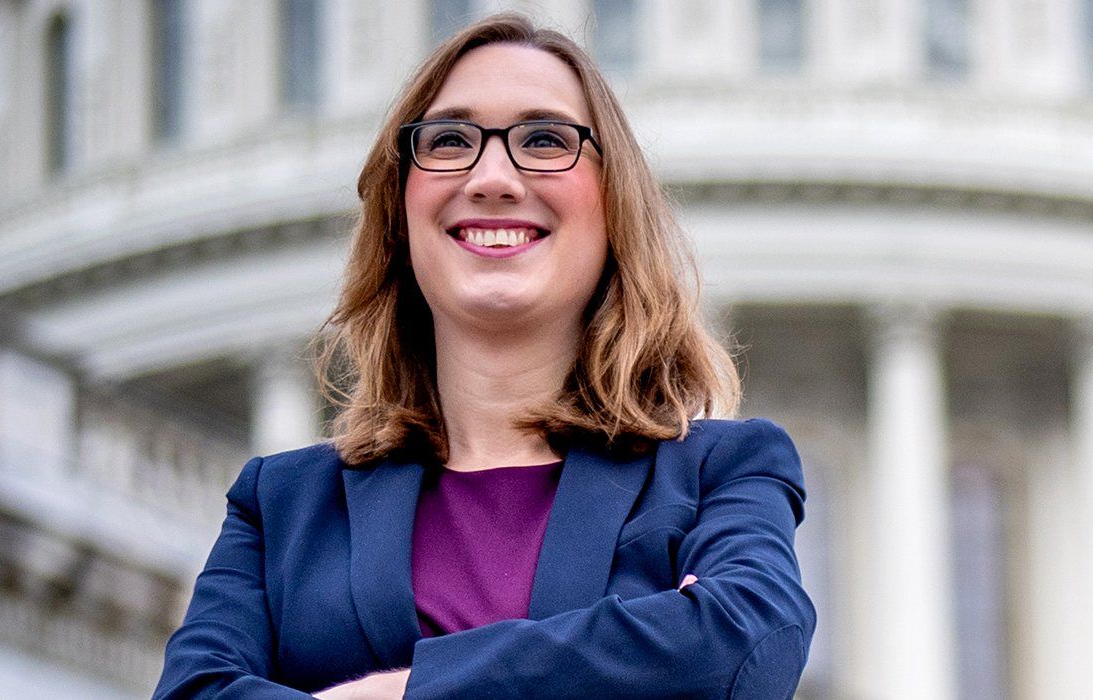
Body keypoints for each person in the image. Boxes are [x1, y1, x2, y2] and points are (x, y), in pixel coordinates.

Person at [154, 13, 814, 700]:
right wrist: (646, 647)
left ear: (613, 204)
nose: (492, 177)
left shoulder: (719, 472)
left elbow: (745, 642)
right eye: (448, 141)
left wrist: (397, 691)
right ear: (399, 212)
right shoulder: (283, 504)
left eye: (544, 139)